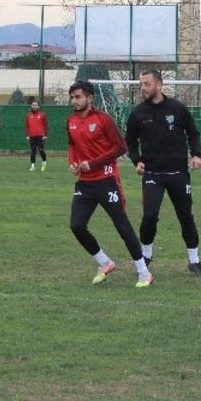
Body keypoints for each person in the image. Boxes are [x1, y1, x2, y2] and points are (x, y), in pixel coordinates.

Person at [67, 80, 153, 288]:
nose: (74, 101)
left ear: (89, 98)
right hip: (85, 184)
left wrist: (93, 163)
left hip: (106, 181)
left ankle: (144, 272)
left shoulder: (103, 120)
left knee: (122, 226)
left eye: (78, 97)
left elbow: (120, 148)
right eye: (72, 97)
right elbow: (72, 145)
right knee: (77, 225)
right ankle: (105, 262)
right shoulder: (71, 120)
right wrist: (73, 163)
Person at [124, 69, 201, 277]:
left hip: (178, 173)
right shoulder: (137, 113)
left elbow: (193, 133)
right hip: (153, 174)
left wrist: (196, 155)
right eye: (141, 84)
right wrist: (137, 161)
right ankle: (146, 256)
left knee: (185, 216)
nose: (143, 88)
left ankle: (194, 260)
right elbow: (130, 142)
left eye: (147, 84)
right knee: (150, 216)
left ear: (159, 85)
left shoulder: (177, 108)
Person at [25, 97, 48, 171]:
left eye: (35, 105)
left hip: (41, 136)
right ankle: (32, 166)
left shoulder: (42, 114)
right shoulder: (28, 115)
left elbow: (45, 125)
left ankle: (44, 162)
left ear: (38, 106)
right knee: (33, 151)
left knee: (41, 150)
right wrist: (27, 135)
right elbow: (27, 126)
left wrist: (45, 135)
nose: (34, 106)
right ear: (31, 106)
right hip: (32, 136)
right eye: (33, 105)